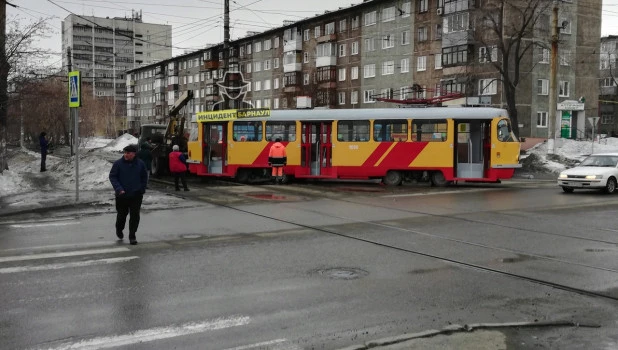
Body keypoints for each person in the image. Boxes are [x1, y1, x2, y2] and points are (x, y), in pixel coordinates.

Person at [109, 144, 148, 245]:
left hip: (136, 195)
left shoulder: (140, 164)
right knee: (122, 215)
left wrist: (142, 189)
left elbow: (144, 177)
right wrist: (119, 189)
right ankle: (119, 229)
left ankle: (132, 235)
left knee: (135, 216)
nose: (126, 155)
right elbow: (113, 177)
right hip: (122, 195)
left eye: (128, 153)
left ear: (134, 154)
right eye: (125, 153)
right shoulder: (118, 164)